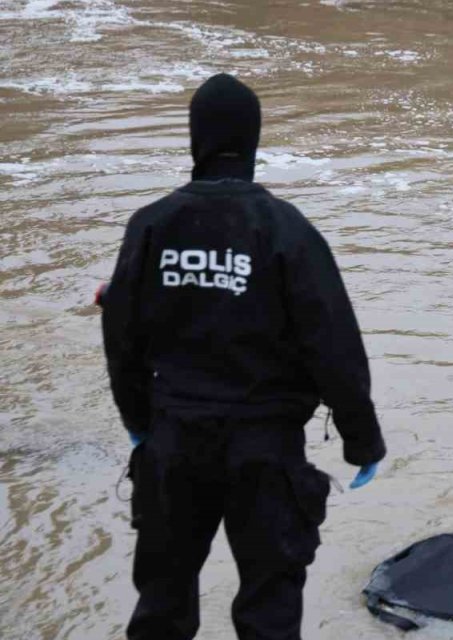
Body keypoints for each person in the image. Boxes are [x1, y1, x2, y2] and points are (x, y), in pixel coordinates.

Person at [101, 73, 386, 639]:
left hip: (174, 444)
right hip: (266, 451)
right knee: (269, 611)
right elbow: (333, 343)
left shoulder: (152, 224)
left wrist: (140, 424)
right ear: (253, 141)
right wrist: (362, 440)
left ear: (195, 140)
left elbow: (120, 336)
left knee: (161, 607)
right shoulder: (288, 230)